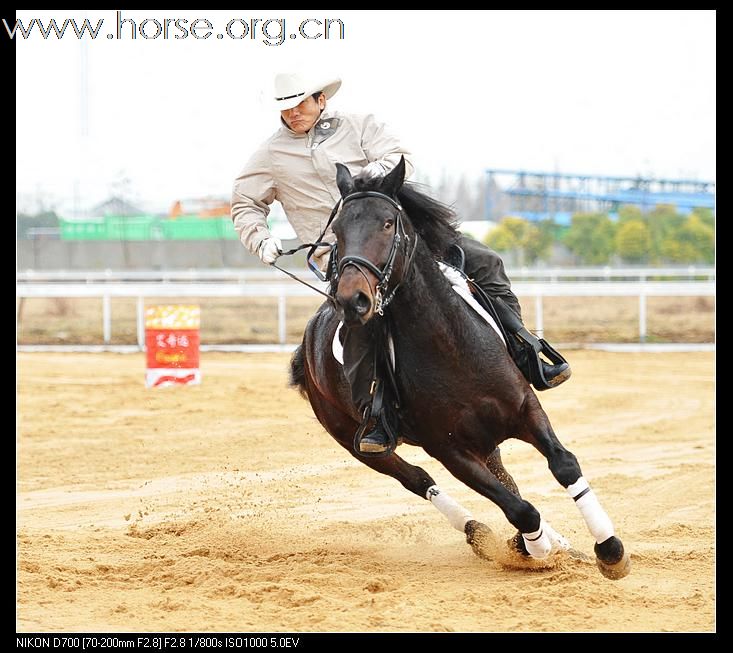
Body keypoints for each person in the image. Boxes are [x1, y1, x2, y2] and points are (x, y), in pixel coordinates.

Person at [231, 72, 571, 455]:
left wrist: (368, 182)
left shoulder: (361, 125)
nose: (293, 113)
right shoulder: (269, 155)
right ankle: (377, 414)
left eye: (300, 103)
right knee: (362, 325)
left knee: (486, 262)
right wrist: (259, 238)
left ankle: (524, 349)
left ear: (321, 99)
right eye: (286, 108)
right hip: (345, 258)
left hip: (400, 238)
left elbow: (400, 158)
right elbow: (245, 203)